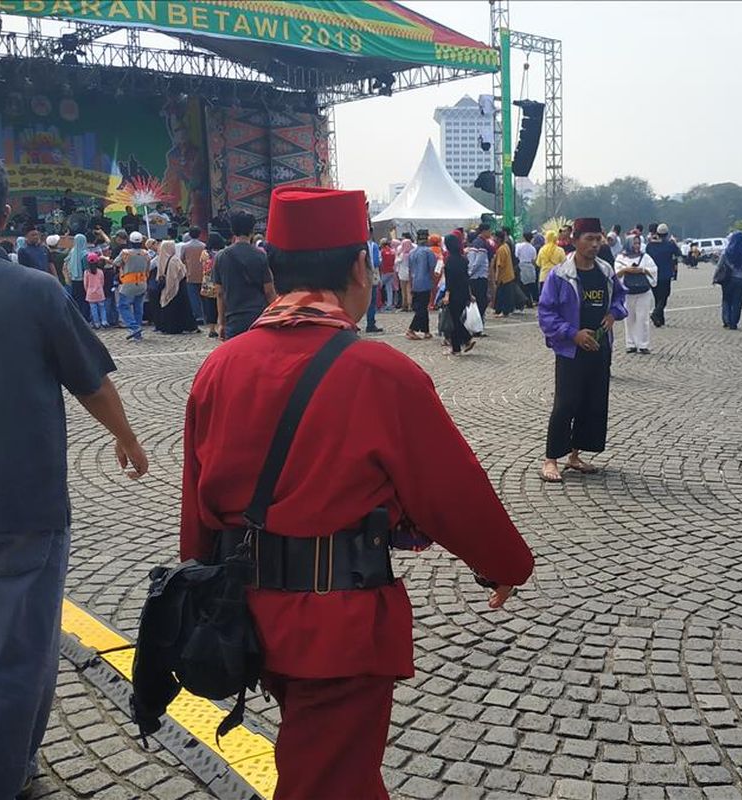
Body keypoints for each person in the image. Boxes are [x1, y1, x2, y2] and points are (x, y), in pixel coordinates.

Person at [180, 186, 532, 799]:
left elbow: (197, 504)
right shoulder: (381, 372)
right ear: (359, 268)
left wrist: (204, 593)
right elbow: (449, 490)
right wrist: (504, 563)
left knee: (322, 768)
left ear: (275, 271)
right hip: (337, 627)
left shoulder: (220, 365)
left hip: (249, 612)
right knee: (332, 785)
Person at [0, 148, 146, 800]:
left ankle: (17, 758)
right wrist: (125, 437)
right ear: (5, 214)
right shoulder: (36, 291)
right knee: (21, 659)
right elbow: (92, 382)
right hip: (27, 514)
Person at [537, 218, 627, 483]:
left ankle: (575, 455)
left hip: (600, 347)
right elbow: (546, 313)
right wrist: (572, 334)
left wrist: (613, 314)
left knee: (593, 402)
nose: (596, 244)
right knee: (566, 404)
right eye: (589, 238)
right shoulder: (560, 275)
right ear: (575, 240)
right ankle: (551, 458)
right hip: (571, 350)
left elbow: (620, 298)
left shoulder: (606, 271)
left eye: (598, 238)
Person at [211, 211, 276, 340]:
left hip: (233, 317)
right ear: (252, 231)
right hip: (258, 316)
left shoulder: (221, 257)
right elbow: (269, 291)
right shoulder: (261, 255)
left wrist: (221, 323)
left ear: (232, 231)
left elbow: (220, 293)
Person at [614, 232, 658, 353]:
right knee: (629, 318)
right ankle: (631, 343)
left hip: (643, 292)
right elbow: (616, 274)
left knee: (643, 318)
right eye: (634, 243)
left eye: (638, 243)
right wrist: (626, 270)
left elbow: (654, 270)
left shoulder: (645, 257)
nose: (637, 246)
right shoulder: (621, 258)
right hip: (628, 292)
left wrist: (642, 270)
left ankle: (643, 344)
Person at [153, 240, 198, 334]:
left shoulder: (162, 258)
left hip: (167, 287)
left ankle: (168, 327)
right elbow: (178, 275)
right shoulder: (174, 260)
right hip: (178, 287)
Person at [113, 231, 150, 341]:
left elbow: (116, 263)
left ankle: (134, 327)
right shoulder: (146, 253)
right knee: (138, 307)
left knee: (122, 306)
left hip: (128, 283)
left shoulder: (126, 253)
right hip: (142, 283)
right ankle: (137, 334)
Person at [443, 233, 475, 355]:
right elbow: (466, 278)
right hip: (463, 292)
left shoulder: (449, 261)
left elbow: (449, 280)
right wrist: (470, 294)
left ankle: (466, 339)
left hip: (454, 293)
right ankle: (456, 348)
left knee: (454, 320)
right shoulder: (463, 259)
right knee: (456, 319)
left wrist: (447, 294)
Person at [713, 231, 742, 330]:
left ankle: (727, 320)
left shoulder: (726, 252)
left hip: (728, 279)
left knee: (726, 300)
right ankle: (734, 322)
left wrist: (714, 277)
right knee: (738, 302)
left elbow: (719, 266)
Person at [645, 223, 681, 327]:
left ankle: (660, 320)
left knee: (657, 297)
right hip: (665, 274)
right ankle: (656, 313)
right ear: (666, 233)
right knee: (664, 296)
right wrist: (674, 242)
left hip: (653, 274)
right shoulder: (670, 244)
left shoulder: (650, 245)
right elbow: (679, 253)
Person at [405, 230, 436, 340]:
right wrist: (434, 283)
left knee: (421, 307)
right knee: (422, 308)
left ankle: (426, 331)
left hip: (415, 283)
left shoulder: (412, 253)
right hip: (425, 282)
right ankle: (411, 329)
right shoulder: (428, 252)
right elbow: (432, 269)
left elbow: (409, 270)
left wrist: (410, 284)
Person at [178, 226, 207, 325]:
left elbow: (181, 259)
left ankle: (197, 316)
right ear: (199, 234)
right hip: (202, 274)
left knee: (193, 297)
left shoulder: (185, 246)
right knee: (203, 296)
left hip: (190, 274)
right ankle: (205, 315)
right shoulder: (203, 246)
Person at [490, 230, 517, 318]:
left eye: (494, 237)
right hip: (508, 274)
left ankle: (504, 312)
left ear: (498, 238)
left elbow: (499, 265)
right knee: (502, 294)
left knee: (504, 295)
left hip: (504, 276)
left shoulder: (501, 249)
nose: (493, 239)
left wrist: (497, 278)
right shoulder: (506, 246)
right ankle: (498, 310)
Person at [466, 233, 490, 322]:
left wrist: (469, 273)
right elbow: (477, 264)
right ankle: (477, 322)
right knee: (481, 301)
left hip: (474, 278)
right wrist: (470, 273)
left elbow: (472, 264)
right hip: (480, 278)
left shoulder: (470, 251)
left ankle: (476, 321)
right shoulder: (481, 250)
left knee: (477, 301)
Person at [66, 231, 90, 321]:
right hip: (83, 279)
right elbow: (86, 268)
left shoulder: (72, 251)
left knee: (76, 299)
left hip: (74, 278)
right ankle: (85, 317)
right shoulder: (85, 254)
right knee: (84, 299)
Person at [84, 252, 109, 328]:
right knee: (102, 308)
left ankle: (96, 323)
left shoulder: (86, 272)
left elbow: (85, 284)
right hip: (100, 292)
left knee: (93, 309)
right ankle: (104, 321)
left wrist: (87, 291)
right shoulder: (100, 272)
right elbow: (102, 282)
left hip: (90, 293)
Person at [516, 230, 539, 306]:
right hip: (530, 266)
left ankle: (525, 302)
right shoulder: (533, 248)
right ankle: (531, 301)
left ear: (523, 237)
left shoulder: (519, 246)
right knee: (530, 285)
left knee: (523, 285)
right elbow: (534, 260)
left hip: (521, 265)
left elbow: (516, 256)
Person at [394, 232, 413, 311]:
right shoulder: (412, 251)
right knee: (409, 289)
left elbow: (397, 262)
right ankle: (410, 305)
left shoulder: (402, 253)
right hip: (410, 272)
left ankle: (404, 305)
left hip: (402, 272)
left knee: (403, 290)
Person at [379, 238, 397, 310]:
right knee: (389, 288)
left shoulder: (382, 251)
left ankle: (379, 303)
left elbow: (380, 262)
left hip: (384, 271)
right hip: (392, 271)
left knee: (379, 287)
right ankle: (389, 304)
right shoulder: (393, 251)